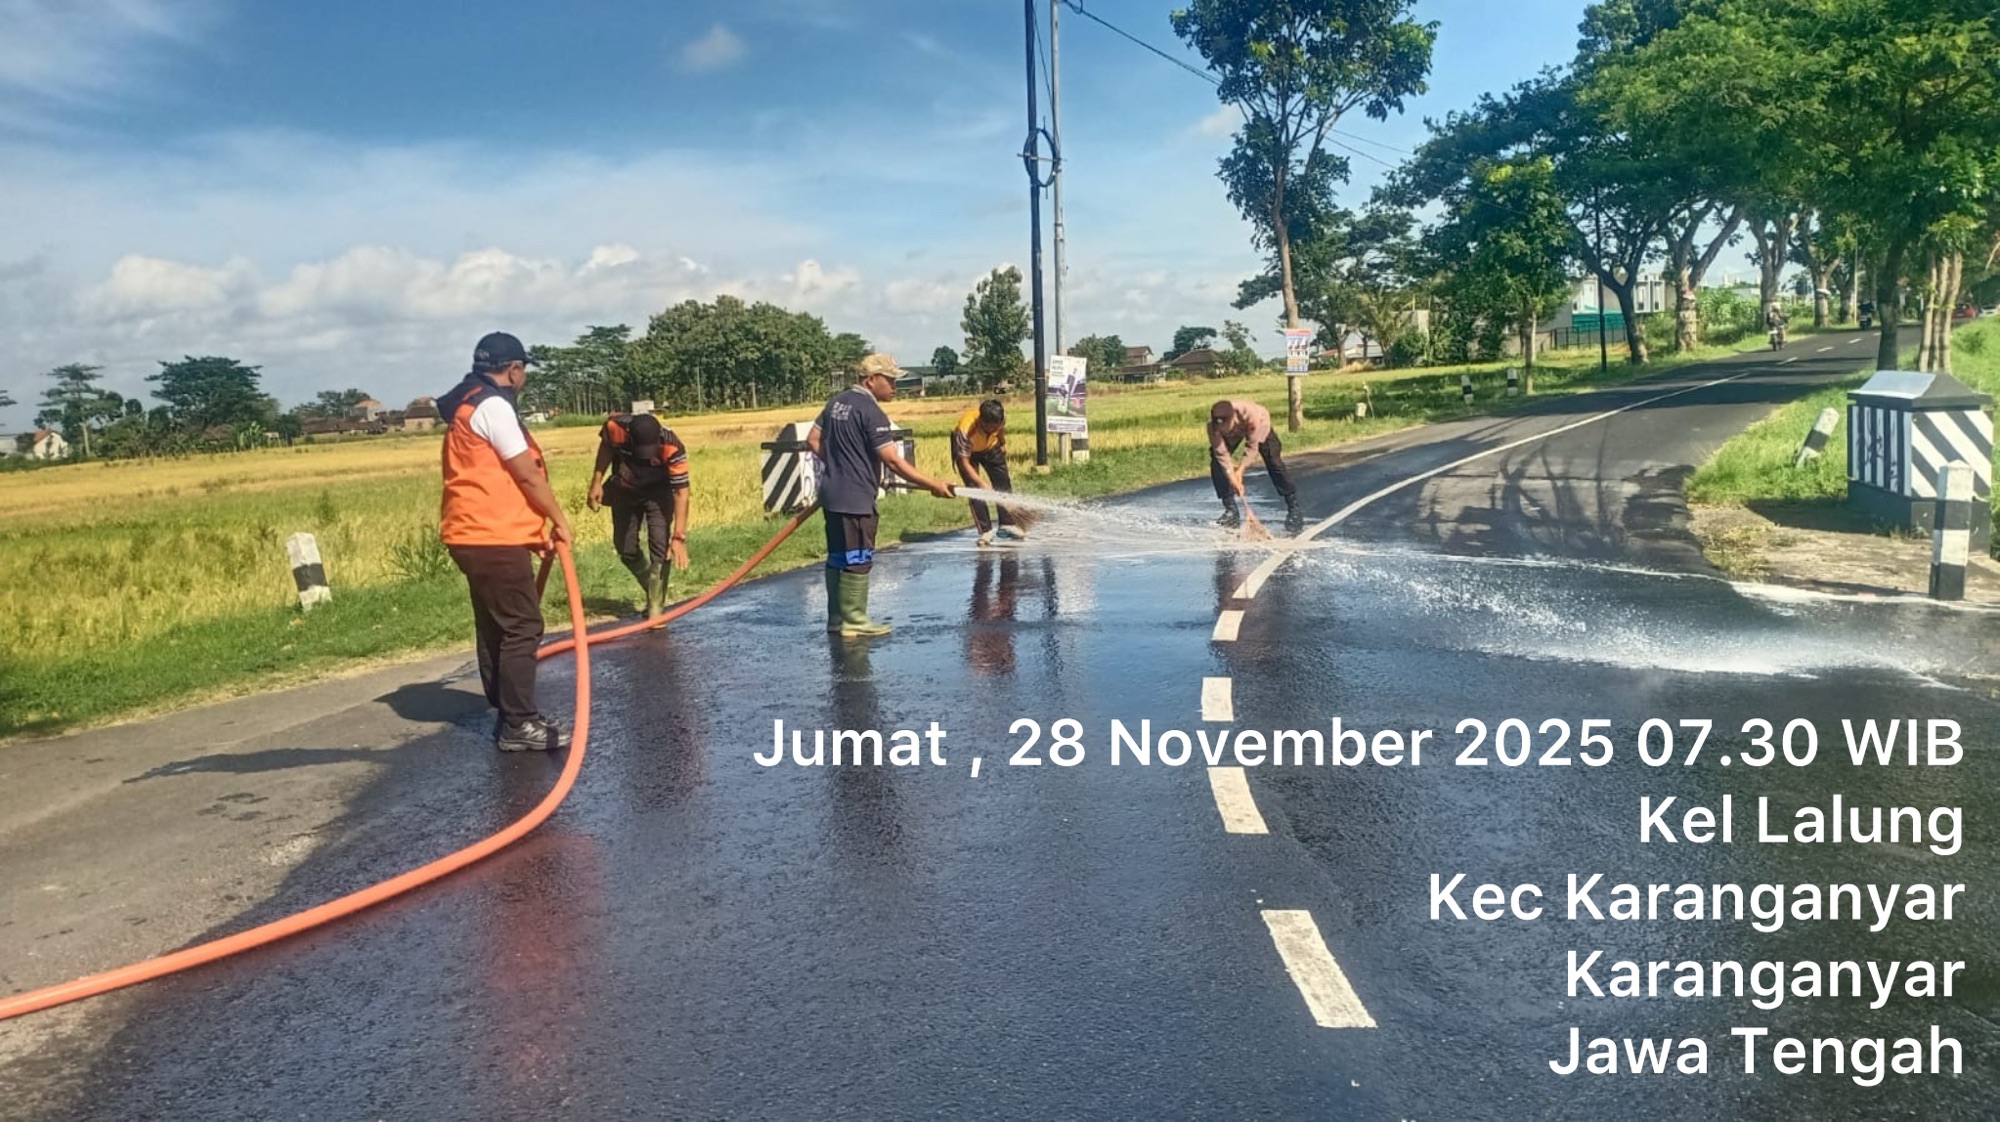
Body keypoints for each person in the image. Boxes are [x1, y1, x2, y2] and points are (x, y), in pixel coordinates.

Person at [437, 331, 574, 752]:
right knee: (522, 626)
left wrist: (529, 533)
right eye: (523, 369)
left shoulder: (468, 403)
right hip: (489, 536)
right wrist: (558, 520)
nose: (523, 376)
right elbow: (525, 474)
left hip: (473, 533)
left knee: (496, 625)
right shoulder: (493, 406)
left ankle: (508, 710)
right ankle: (519, 723)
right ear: (514, 370)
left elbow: (493, 481)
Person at [807, 353, 958, 637]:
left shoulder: (836, 402)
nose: (894, 386)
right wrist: (933, 484)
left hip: (832, 495)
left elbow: (813, 440)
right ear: (870, 379)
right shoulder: (871, 411)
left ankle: (837, 619)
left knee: (838, 555)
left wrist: (838, 464)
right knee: (858, 555)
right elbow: (893, 461)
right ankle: (855, 620)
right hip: (855, 499)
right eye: (889, 380)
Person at [586, 410, 691, 619]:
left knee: (660, 549)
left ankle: (656, 609)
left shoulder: (673, 447)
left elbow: (681, 493)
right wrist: (596, 482)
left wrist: (679, 537)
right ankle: (652, 590)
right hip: (625, 490)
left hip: (658, 494)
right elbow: (606, 447)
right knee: (625, 548)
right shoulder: (615, 427)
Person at [1208, 398, 1303, 535]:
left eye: (1226, 427)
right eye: (1220, 428)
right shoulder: (1213, 427)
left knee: (1273, 460)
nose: (1223, 431)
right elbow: (1221, 454)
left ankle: (1294, 508)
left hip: (1260, 425)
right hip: (1237, 427)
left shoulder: (1251, 415)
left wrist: (1240, 471)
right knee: (1217, 463)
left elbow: (1252, 447)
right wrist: (1232, 477)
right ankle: (1231, 510)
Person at [951, 398, 1023, 547]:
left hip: (991, 447)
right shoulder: (964, 430)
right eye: (989, 428)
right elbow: (964, 463)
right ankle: (985, 531)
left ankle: (1007, 524)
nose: (992, 430)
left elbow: (1000, 430)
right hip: (968, 453)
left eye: (996, 426)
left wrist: (1002, 443)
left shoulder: (998, 419)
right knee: (975, 490)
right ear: (981, 421)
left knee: (1003, 483)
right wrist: (981, 483)